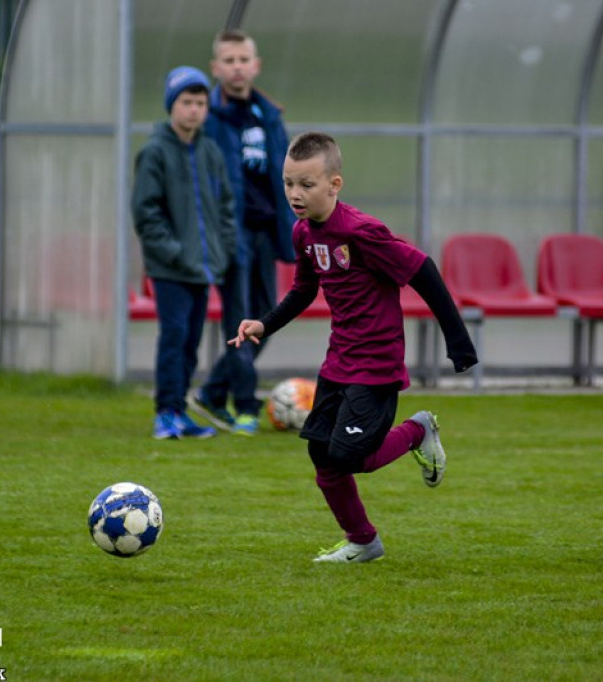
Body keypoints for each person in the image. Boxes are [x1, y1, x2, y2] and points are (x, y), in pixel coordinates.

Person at [230, 132, 478, 563]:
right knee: (322, 456)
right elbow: (304, 290)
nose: (295, 194)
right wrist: (264, 324)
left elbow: (424, 271)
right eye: (288, 183)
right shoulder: (303, 233)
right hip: (338, 362)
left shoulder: (362, 232)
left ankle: (418, 430)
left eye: (306, 185)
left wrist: (458, 342)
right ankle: (363, 542)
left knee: (349, 456)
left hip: (377, 365)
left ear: (335, 184)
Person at [188, 29, 296, 437]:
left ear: (256, 65)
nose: (237, 67)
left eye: (243, 59)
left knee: (268, 315)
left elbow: (285, 172)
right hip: (230, 233)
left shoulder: (268, 115)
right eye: (228, 61)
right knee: (238, 316)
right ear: (216, 68)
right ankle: (246, 404)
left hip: (266, 229)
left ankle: (213, 392)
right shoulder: (209, 118)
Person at [131, 66, 237, 440]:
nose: (194, 110)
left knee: (190, 341)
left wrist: (222, 251)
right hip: (171, 268)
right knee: (174, 337)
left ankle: (180, 410)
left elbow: (225, 206)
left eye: (200, 102)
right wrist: (174, 252)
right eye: (186, 102)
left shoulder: (210, 150)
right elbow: (146, 212)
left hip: (203, 267)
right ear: (171, 105)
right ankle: (166, 413)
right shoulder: (155, 151)